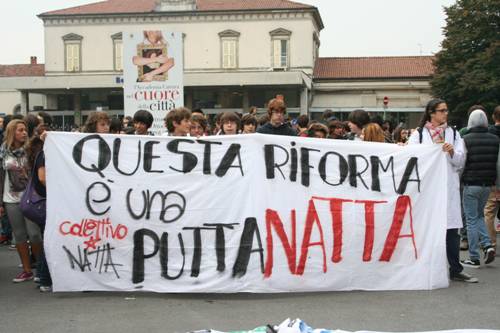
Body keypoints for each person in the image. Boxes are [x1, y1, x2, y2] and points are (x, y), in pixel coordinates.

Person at [408, 98, 476, 283]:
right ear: (432, 113)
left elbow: (461, 161)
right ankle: (424, 266)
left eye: (446, 110)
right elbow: (410, 157)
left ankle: (455, 268)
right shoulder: (420, 134)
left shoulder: (453, 134)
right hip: (428, 189)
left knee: (452, 230)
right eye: (442, 110)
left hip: (447, 188)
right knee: (426, 227)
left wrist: (452, 152)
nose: (446, 113)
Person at [0, 120, 42, 282]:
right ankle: (26, 269)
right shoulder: (3, 151)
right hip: (10, 198)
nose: (24, 133)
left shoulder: (31, 149)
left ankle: (40, 267)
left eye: (25, 130)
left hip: (30, 197)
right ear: (12, 133)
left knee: (35, 234)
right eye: (20, 130)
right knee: (19, 235)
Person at [460, 109, 498, 268]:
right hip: (487, 185)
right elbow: (498, 165)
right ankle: (488, 245)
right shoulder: (495, 140)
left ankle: (474, 257)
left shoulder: (465, 139)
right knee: (480, 216)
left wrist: (458, 180)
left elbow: (461, 163)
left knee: (470, 220)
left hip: (470, 184)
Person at [484, 105, 500, 250]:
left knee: (489, 211)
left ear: (494, 117)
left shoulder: (488, 133)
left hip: (492, 177)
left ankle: (491, 243)